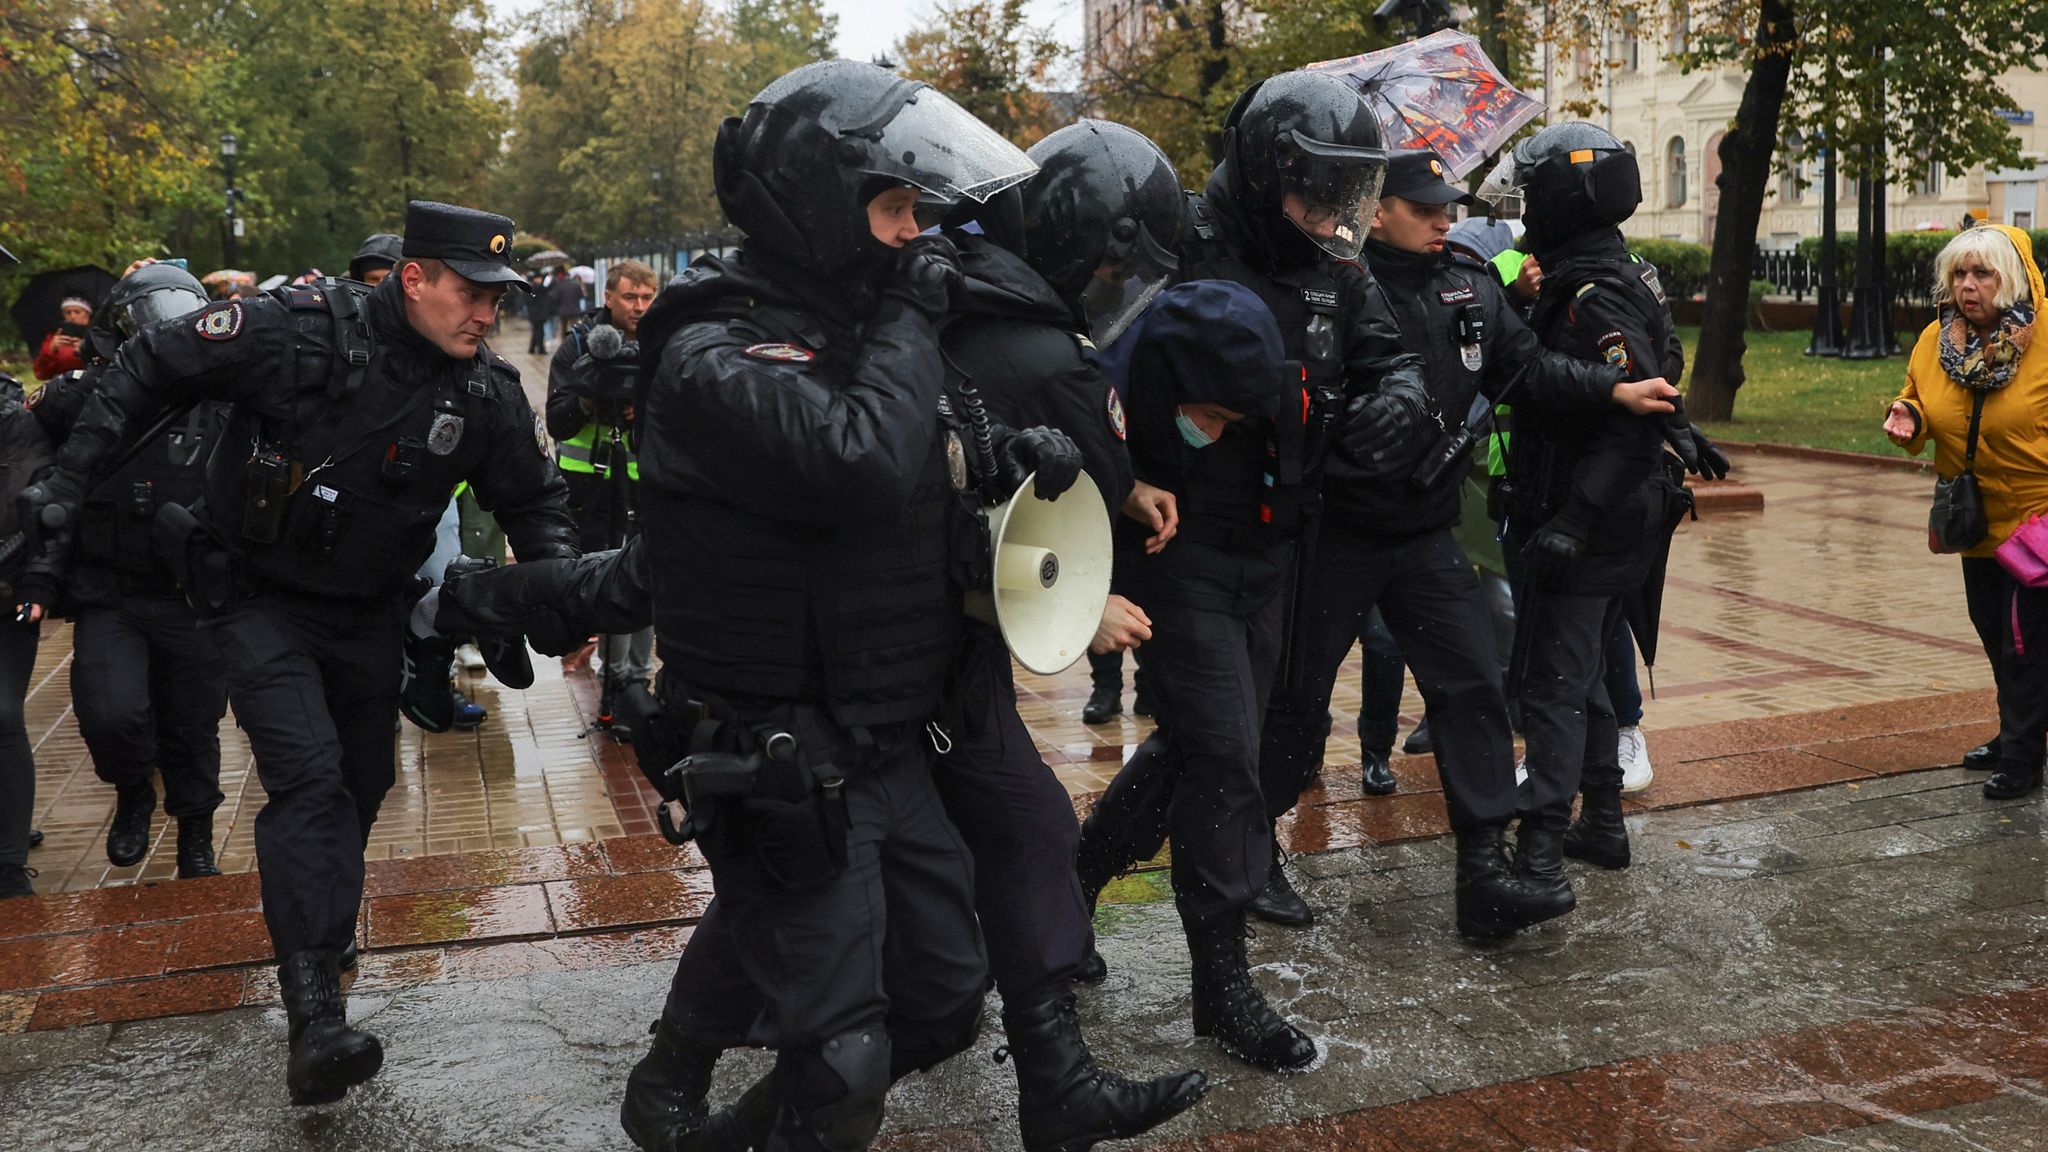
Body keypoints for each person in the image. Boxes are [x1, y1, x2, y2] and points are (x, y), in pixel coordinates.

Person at [618, 61, 1090, 1152]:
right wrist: (915, 319)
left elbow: (924, 463)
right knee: (842, 1063)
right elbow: (855, 464)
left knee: (938, 999)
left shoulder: (862, 326)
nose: (916, 235)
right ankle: (706, 1094)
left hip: (884, 728)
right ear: (822, 209)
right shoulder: (709, 349)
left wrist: (1012, 458)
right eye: (893, 209)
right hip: (782, 744)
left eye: (919, 210)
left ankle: (721, 1117)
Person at [17, 200, 579, 1106]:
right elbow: (148, 366)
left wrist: (561, 593)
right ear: (415, 279)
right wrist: (66, 488)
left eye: (497, 297)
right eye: (472, 294)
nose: (488, 313)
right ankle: (314, 1006)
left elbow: (535, 501)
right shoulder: (297, 333)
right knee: (308, 780)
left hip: (368, 612)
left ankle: (319, 917)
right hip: (255, 597)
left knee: (363, 783)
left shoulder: (483, 389)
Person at [1260, 147, 1680, 936]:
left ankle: (1485, 874)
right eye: (1426, 209)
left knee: (1477, 693)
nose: (1446, 220)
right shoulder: (1329, 288)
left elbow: (1530, 367)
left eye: (1448, 207)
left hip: (1425, 533)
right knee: (1296, 699)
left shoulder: (1466, 282)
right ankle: (1252, 851)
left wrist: (1611, 386)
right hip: (1342, 533)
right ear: (1375, 210)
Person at [1073, 278, 1321, 1072]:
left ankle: (1080, 875)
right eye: (1207, 417)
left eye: (1229, 422)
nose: (1214, 432)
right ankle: (1222, 987)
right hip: (1172, 563)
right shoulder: (1117, 368)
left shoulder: (1272, 354)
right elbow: (1062, 461)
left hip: (1261, 563)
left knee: (1199, 744)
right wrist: (1124, 484)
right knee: (1224, 759)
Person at [1478, 123, 1723, 897]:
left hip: (1598, 515)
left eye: (1534, 193)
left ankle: (1542, 858)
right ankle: (1603, 822)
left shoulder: (1594, 289)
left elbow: (1633, 414)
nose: (1525, 210)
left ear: (1565, 198)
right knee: (1579, 675)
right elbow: (1669, 362)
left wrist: (1573, 521)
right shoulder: (1613, 271)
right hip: (1613, 510)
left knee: (1553, 681)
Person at [30, 263, 230, 878]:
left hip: (192, 593)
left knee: (193, 725)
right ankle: (134, 790)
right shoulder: (81, 401)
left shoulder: (228, 399)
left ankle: (195, 832)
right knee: (111, 713)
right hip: (110, 590)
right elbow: (43, 484)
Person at [1885, 224, 2048, 799]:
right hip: (1973, 516)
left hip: (2037, 518)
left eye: (1982, 273)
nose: (1967, 286)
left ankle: (2023, 758)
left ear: (2013, 279)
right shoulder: (1937, 340)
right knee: (1991, 629)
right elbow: (1919, 398)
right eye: (1959, 274)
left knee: (2022, 640)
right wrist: (1908, 416)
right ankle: (2016, 733)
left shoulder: (2046, 336)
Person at [547, 260, 658, 727]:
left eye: (647, 298)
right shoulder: (577, 346)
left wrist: (643, 412)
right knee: (608, 577)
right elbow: (557, 420)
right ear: (609, 296)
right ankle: (613, 686)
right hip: (590, 486)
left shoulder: (663, 342)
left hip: (645, 485)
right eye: (630, 297)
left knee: (649, 575)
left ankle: (638, 684)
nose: (639, 307)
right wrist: (590, 396)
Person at [0, 380, 55, 898]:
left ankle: (9, 864)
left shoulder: (20, 423)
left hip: (8, 593)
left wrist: (36, 580)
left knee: (3, 715)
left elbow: (42, 510)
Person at [33, 297, 93, 381]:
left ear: (88, 314)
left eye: (77, 312)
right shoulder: (55, 338)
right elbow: (41, 374)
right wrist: (50, 350)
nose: (72, 316)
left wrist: (86, 351)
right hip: (63, 386)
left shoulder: (97, 337)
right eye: (68, 313)